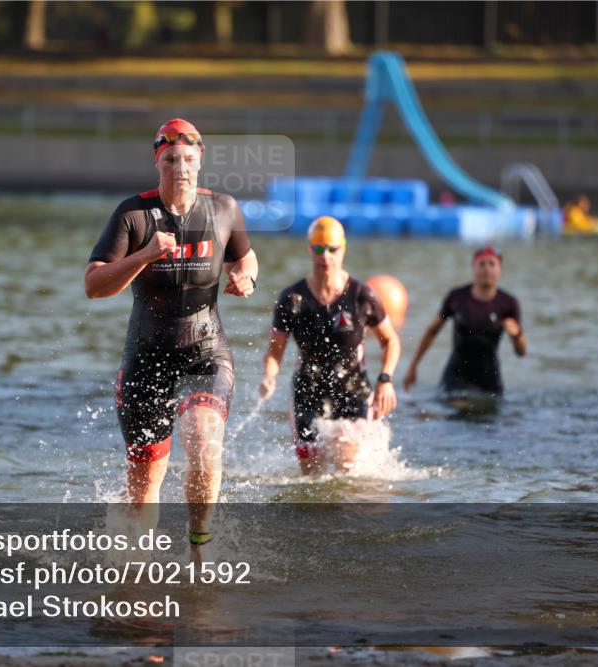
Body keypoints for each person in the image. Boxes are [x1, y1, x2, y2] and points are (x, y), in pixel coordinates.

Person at [85, 118, 258, 551]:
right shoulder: (133, 214)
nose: (180, 168)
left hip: (205, 349)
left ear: (200, 162)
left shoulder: (223, 209)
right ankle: (137, 572)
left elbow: (247, 259)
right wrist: (145, 254)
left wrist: (246, 278)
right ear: (157, 162)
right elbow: (94, 285)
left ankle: (201, 550)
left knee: (203, 439)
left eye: (188, 159)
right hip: (146, 354)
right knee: (145, 480)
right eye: (171, 160)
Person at [258, 216, 400, 475]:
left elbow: (390, 340)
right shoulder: (292, 298)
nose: (326, 257)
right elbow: (274, 352)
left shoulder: (361, 295)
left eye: (332, 249)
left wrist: (385, 379)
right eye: (318, 249)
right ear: (309, 249)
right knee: (310, 472)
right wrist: (269, 376)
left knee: (347, 464)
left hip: (353, 388)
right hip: (308, 389)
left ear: (343, 249)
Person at [403, 245, 526, 398]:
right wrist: (413, 367)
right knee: (457, 411)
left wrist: (517, 335)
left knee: (490, 416)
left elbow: (521, 353)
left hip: (490, 375)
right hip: (457, 373)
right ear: (473, 267)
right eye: (482, 264)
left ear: (500, 269)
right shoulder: (457, 297)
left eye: (492, 264)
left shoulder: (508, 303)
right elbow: (432, 331)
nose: (487, 269)